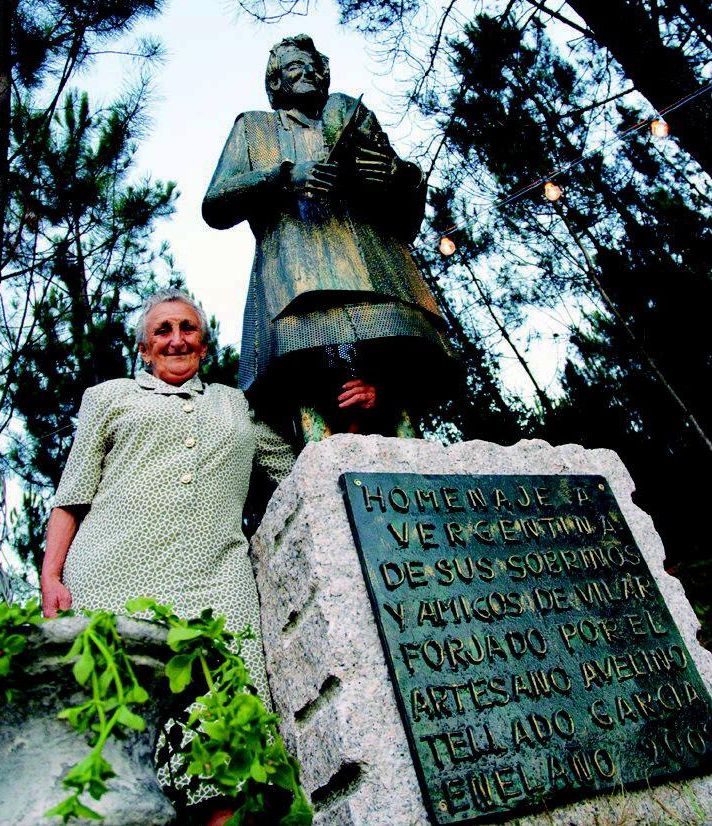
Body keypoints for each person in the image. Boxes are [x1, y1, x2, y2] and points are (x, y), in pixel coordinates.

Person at [40, 288, 374, 825]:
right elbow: (72, 495)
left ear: (204, 339)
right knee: (119, 734)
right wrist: (50, 575)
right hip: (112, 576)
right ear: (145, 348)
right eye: (163, 330)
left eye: (187, 328)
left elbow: (301, 473)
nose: (176, 339)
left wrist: (356, 421)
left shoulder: (236, 406)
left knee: (224, 736)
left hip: (217, 586)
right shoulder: (108, 398)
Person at [202, 34, 457, 442]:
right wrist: (284, 176)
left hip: (380, 278)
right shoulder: (254, 127)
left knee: (397, 390)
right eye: (293, 67)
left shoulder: (351, 115)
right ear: (276, 83)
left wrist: (399, 178)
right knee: (307, 390)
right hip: (296, 288)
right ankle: (322, 484)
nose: (307, 72)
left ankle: (418, 474)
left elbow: (405, 219)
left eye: (313, 64)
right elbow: (215, 204)